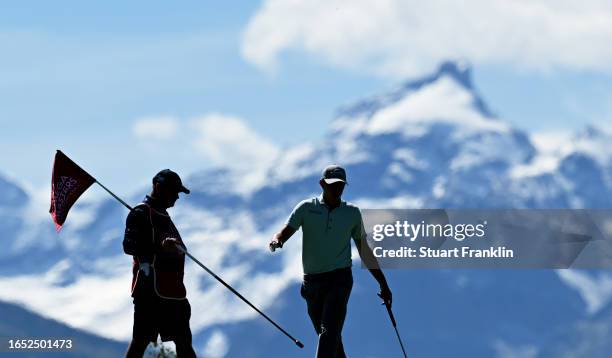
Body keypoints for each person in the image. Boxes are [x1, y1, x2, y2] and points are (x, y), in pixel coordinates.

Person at [269, 164, 392, 358]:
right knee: (332, 340)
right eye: (333, 184)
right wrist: (277, 240)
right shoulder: (306, 208)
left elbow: (365, 251)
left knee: (327, 335)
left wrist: (383, 284)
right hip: (311, 284)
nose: (337, 189)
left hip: (339, 280)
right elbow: (286, 230)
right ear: (322, 184)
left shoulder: (352, 213)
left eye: (341, 185)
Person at [122, 169, 196, 358]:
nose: (177, 197)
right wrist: (160, 247)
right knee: (141, 341)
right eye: (174, 192)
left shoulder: (162, 215)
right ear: (158, 187)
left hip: (174, 291)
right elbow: (129, 246)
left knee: (184, 342)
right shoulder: (140, 213)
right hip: (150, 291)